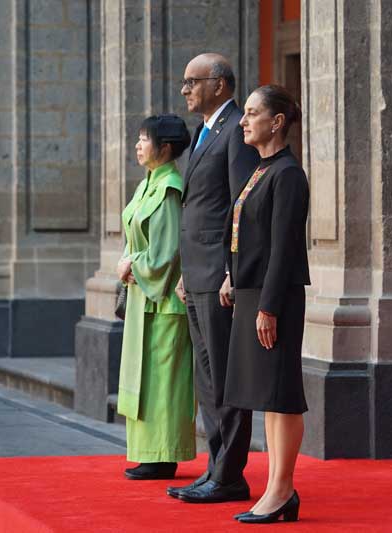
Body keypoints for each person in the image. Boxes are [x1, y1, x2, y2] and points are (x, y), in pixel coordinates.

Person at [167, 53, 260, 503]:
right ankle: (215, 468)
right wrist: (188, 272)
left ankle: (230, 476)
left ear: (221, 85)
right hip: (196, 274)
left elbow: (241, 205)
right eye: (184, 82)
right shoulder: (205, 132)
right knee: (207, 382)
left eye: (193, 81)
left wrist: (230, 270)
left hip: (218, 277)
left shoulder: (236, 130)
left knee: (225, 378)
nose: (185, 89)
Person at [223, 84, 310, 524]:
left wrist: (269, 307)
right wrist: (231, 277)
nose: (243, 120)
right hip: (253, 294)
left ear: (276, 122)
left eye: (252, 113)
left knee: (282, 394)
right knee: (267, 397)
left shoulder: (288, 174)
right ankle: (278, 488)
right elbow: (245, 234)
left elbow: (284, 247)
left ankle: (282, 490)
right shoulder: (262, 170)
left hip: (275, 297)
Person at [116, 115, 196, 480]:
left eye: (144, 139)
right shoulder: (147, 185)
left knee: (164, 381)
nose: (137, 145)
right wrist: (129, 260)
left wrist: (131, 263)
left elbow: (165, 254)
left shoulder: (169, 190)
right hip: (143, 297)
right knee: (147, 378)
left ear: (164, 148)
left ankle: (164, 454)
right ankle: (150, 451)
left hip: (163, 300)